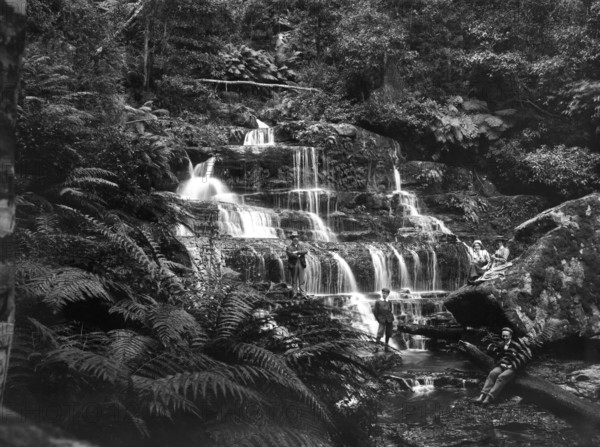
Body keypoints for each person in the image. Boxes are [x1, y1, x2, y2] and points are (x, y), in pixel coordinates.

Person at [286, 231, 308, 298]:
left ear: (298, 238)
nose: (296, 239)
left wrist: (297, 252)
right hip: (293, 264)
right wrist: (297, 255)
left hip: (301, 263)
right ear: (292, 239)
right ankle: (294, 293)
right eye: (294, 238)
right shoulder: (289, 247)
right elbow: (290, 254)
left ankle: (303, 294)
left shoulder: (301, 246)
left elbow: (305, 251)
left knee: (302, 280)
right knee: (294, 280)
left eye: (297, 237)